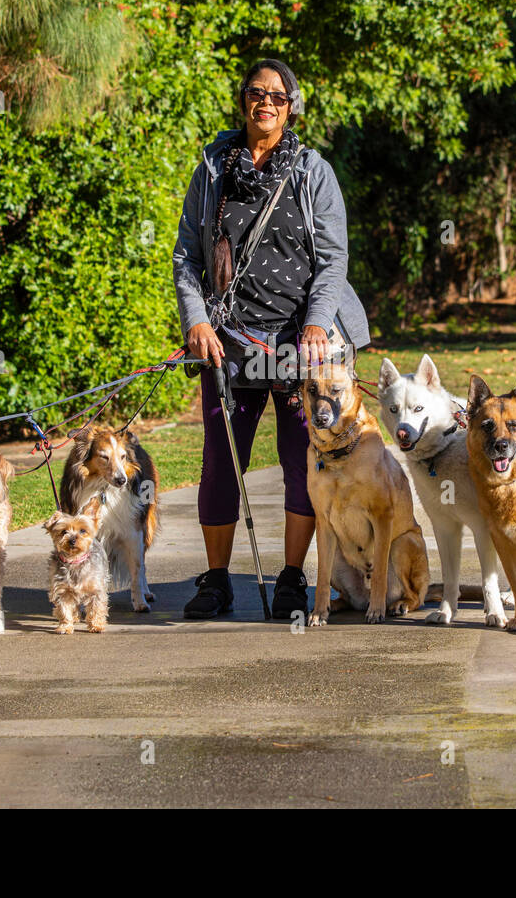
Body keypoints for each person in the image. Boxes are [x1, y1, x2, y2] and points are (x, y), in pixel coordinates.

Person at [172, 58, 370, 620]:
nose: (266, 103)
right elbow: (187, 253)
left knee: (301, 460)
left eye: (277, 97)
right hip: (229, 340)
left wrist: (315, 323)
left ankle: (290, 578)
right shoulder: (214, 167)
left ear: (292, 107)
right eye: (256, 93)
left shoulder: (313, 171)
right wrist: (196, 321)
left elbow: (333, 261)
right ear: (243, 101)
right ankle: (214, 582)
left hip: (298, 345)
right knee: (219, 459)